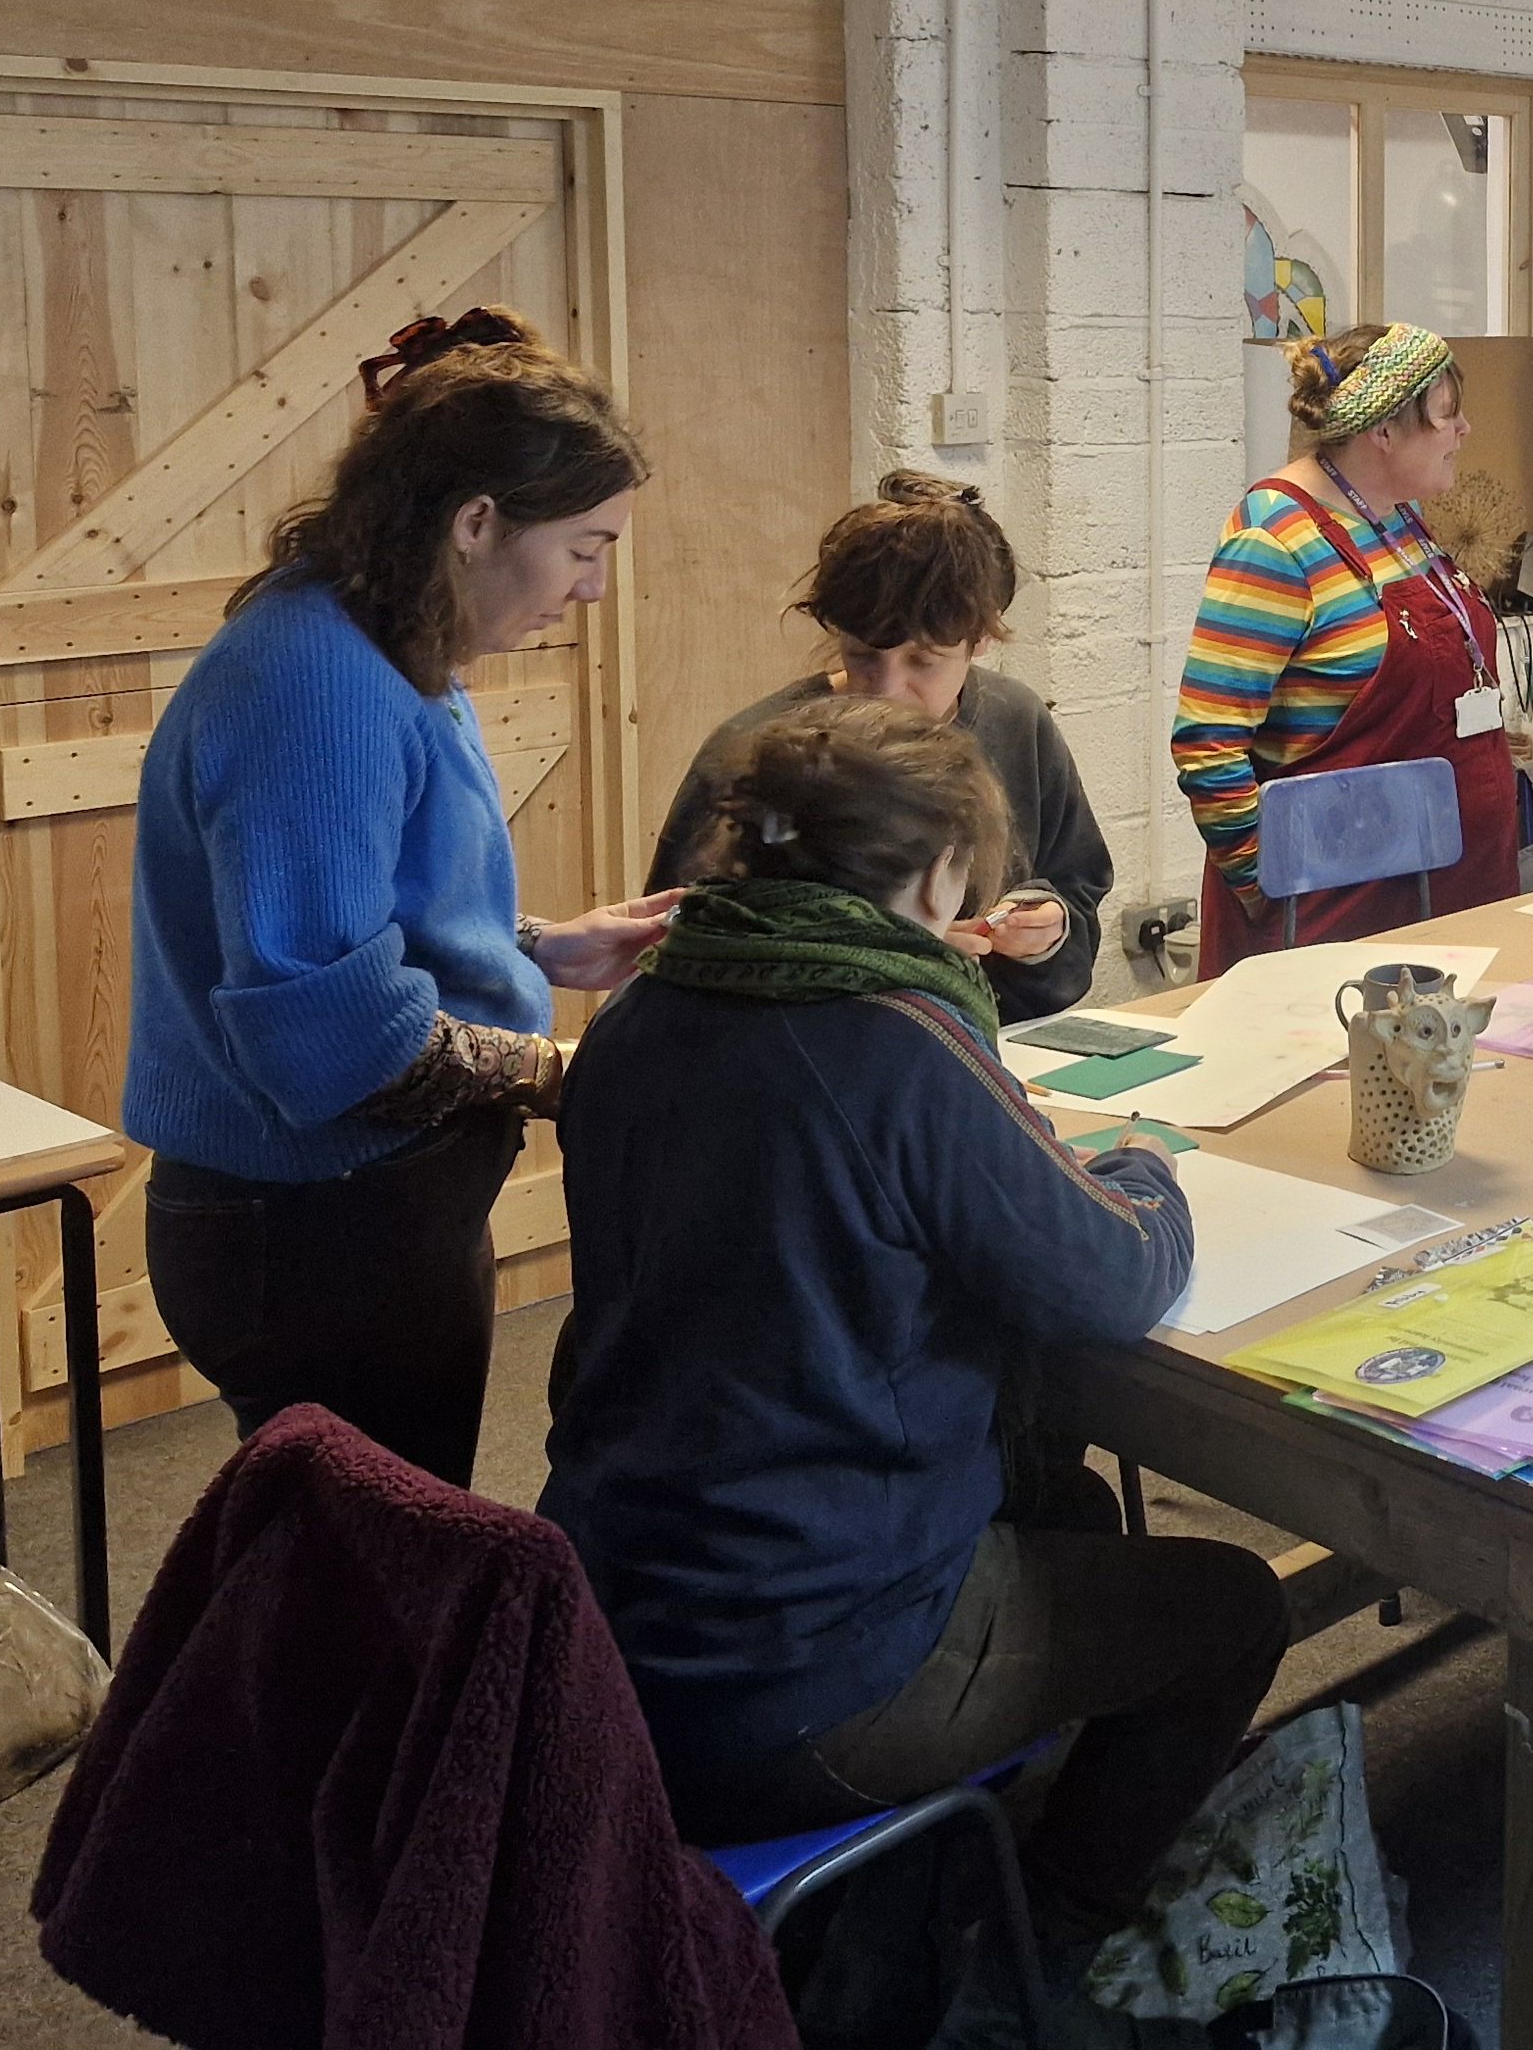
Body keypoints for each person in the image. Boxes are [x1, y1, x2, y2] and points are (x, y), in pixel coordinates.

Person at [543, 695, 1287, 1954]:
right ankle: (1043, 1946)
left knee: (1067, 1512)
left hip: (604, 1625)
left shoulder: (640, 1016)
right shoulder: (893, 1038)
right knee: (1233, 1608)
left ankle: (963, 1875)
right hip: (803, 1676)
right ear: (943, 872)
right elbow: (1107, 1277)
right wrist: (1150, 1175)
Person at [128, 309, 674, 1489]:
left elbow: (344, 923)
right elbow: (333, 1043)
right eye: (585, 546)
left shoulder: (384, 640)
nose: (592, 588)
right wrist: (565, 1077)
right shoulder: (315, 682)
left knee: (362, 1579)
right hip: (316, 1232)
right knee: (367, 1603)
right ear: (476, 522)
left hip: (355, 1216)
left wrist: (537, 947)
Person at [649, 471, 1110, 1021]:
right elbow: (675, 940)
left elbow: (1077, 892)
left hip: (982, 1053)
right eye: (863, 655)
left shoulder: (1019, 725)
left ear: (984, 638)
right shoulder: (762, 754)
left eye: (923, 661)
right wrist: (903, 962)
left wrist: (1048, 932)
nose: (888, 691)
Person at [1174, 323, 1519, 965]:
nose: (1465, 429)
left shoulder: (1396, 515)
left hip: (1451, 891)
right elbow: (1208, 743)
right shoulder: (1274, 542)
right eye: (1446, 415)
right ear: (1383, 431)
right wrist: (1269, 890)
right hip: (1338, 919)